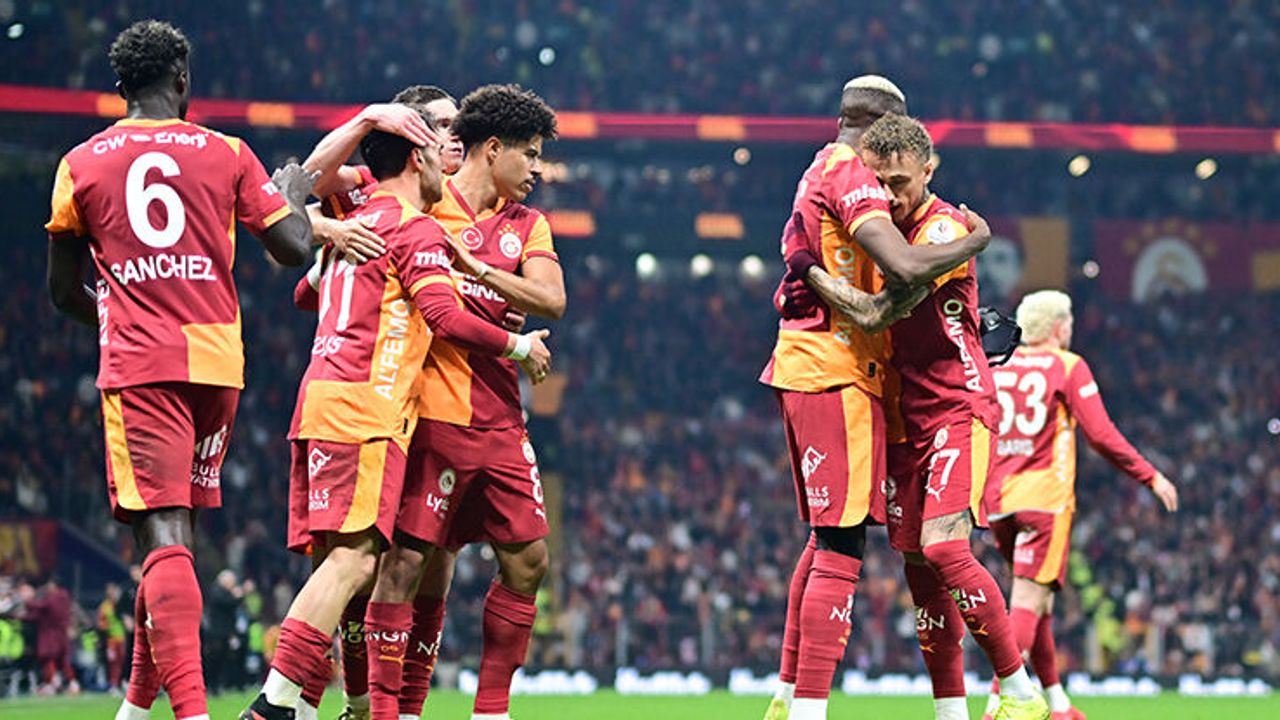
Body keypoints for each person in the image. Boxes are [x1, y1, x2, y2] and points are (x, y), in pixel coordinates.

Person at [239, 104, 552, 720]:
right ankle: (280, 705)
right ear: (416, 152)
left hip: (324, 400)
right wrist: (516, 343)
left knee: (354, 564)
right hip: (371, 406)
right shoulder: (412, 222)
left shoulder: (366, 218)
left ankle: (328, 706)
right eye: (439, 135)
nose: (449, 147)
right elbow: (443, 315)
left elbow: (303, 284)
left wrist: (324, 232)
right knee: (359, 564)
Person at [43, 19, 315, 720]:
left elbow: (63, 292)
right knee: (175, 539)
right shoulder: (228, 152)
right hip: (218, 365)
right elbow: (293, 247)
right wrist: (290, 191)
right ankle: (136, 708)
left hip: (142, 365)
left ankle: (191, 714)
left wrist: (123, 316)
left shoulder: (80, 163)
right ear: (183, 79)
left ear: (120, 87)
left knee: (161, 536)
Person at [759, 75, 993, 720]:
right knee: (841, 544)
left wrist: (814, 274)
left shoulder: (816, 169)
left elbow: (807, 257)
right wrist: (975, 241)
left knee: (823, 538)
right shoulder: (849, 172)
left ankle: (787, 695)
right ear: (877, 124)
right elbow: (903, 270)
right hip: (836, 370)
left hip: (810, 366)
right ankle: (809, 707)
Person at [837, 113, 1048, 720]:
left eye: (900, 182)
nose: (889, 195)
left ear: (929, 170)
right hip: (902, 418)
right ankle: (950, 711)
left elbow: (887, 301)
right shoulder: (877, 228)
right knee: (919, 570)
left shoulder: (944, 228)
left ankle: (1020, 692)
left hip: (957, 406)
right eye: (878, 183)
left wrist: (811, 273)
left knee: (944, 548)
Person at [980, 290, 1179, 720]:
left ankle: (1058, 704)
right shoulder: (1067, 365)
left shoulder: (999, 365)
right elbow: (1101, 435)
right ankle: (997, 705)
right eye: (1068, 322)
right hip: (1043, 501)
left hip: (997, 501)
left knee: (1040, 603)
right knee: (1027, 602)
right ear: (1058, 326)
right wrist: (1150, 475)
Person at [97, 583, 127, 693]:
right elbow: (101, 623)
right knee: (113, 663)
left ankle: (123, 682)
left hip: (123, 638)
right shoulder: (104, 607)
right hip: (111, 640)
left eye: (113, 591)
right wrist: (105, 630)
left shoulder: (122, 605)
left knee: (124, 661)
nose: (112, 594)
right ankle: (113, 684)